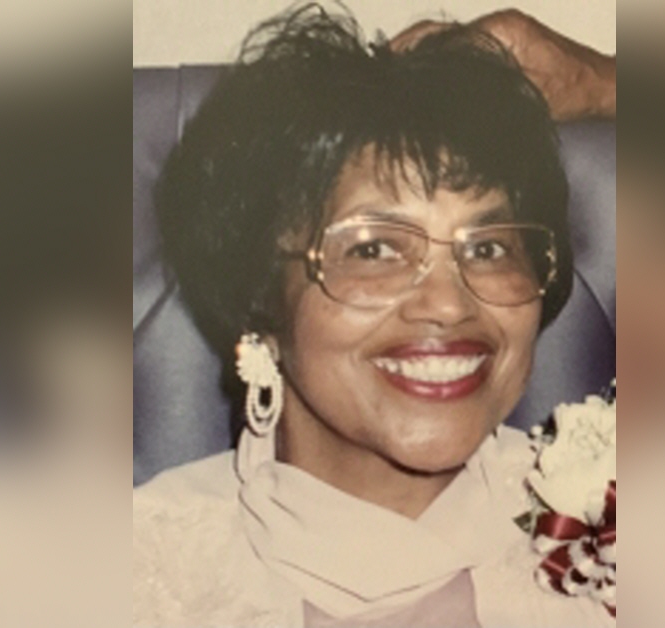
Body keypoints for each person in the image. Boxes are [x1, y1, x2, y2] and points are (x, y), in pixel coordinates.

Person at [133, 6, 613, 627]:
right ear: (260, 299)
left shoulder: (625, 529)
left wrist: (604, 83)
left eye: (488, 249)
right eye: (373, 249)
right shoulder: (132, 576)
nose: (449, 304)